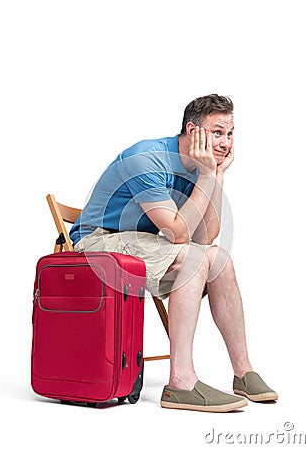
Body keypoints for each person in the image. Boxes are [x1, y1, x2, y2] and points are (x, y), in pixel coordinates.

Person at [70, 94, 278, 412]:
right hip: (98, 244)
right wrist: (208, 175)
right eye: (217, 132)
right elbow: (178, 234)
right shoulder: (147, 159)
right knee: (194, 259)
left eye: (230, 133)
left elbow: (205, 235)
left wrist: (216, 175)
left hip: (143, 244)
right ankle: (181, 381)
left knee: (218, 259)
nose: (225, 142)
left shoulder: (199, 167)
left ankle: (243, 371)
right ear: (193, 131)